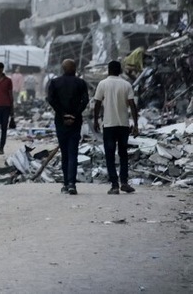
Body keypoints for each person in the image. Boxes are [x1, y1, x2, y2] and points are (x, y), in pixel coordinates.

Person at [93, 60, 140, 195]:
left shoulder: (102, 84)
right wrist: (136, 124)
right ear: (120, 71)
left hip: (108, 124)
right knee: (123, 154)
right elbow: (132, 105)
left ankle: (114, 185)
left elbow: (97, 103)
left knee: (109, 155)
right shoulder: (126, 85)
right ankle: (124, 182)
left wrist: (96, 120)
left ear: (108, 70)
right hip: (123, 125)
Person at [46, 59, 90, 195]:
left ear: (63, 69)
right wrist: (74, 115)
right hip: (75, 122)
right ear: (74, 69)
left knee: (65, 153)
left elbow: (51, 100)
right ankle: (72, 183)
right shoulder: (81, 83)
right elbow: (85, 100)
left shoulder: (54, 82)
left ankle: (66, 183)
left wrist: (63, 114)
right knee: (73, 153)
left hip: (61, 122)